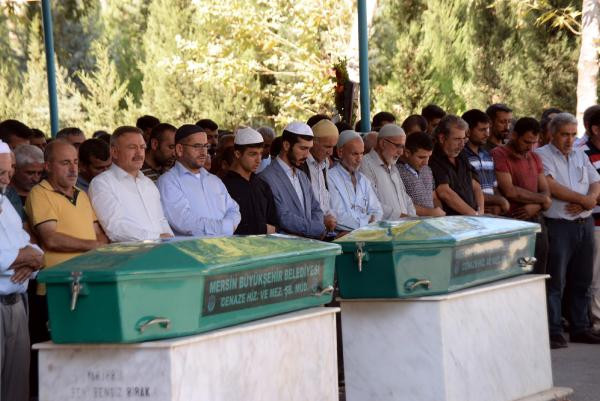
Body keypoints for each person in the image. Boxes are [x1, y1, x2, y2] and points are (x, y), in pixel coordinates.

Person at [535, 112, 600, 348]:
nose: (569, 139)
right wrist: (583, 200)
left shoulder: (580, 154)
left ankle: (580, 327)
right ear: (552, 134)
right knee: (556, 281)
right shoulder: (541, 155)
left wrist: (589, 200)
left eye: (573, 134)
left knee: (582, 280)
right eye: (564, 134)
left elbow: (595, 181)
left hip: (584, 224)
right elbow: (550, 185)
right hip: (559, 225)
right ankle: (553, 330)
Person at [0, 140, 43, 401]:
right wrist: (25, 257)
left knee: (17, 386)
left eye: (9, 172)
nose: (6, 179)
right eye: (0, 173)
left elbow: (31, 247)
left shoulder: (6, 203)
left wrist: (31, 260)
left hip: (16, 302)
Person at [89, 126, 173, 242]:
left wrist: (170, 241)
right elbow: (116, 228)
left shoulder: (148, 184)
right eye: (132, 147)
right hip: (132, 252)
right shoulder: (102, 183)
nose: (139, 153)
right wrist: (157, 238)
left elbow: (161, 220)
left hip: (162, 249)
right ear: (114, 152)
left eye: (142, 147)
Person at [492, 117, 552, 274]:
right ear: (514, 135)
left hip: (536, 221)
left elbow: (545, 189)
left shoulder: (535, 157)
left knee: (538, 272)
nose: (530, 147)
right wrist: (543, 200)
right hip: (514, 223)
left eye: (534, 143)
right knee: (517, 272)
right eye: (526, 142)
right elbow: (510, 191)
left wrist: (536, 205)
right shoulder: (499, 154)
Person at [157, 125, 240, 237]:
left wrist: (228, 226)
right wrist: (226, 227)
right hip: (191, 248)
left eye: (205, 146)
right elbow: (186, 222)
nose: (203, 152)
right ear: (180, 149)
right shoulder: (168, 182)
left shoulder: (214, 180)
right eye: (197, 146)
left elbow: (233, 209)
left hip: (223, 246)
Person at [259, 122, 326, 239]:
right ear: (286, 145)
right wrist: (316, 229)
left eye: (309, 149)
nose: (307, 155)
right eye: (303, 148)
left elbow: (316, 208)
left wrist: (316, 228)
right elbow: (283, 217)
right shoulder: (266, 177)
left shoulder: (302, 176)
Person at [222, 127, 278, 235]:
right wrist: (262, 228)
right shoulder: (223, 186)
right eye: (253, 154)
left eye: (260, 153)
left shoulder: (262, 185)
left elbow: (274, 224)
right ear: (238, 154)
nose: (259, 160)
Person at [328, 130, 383, 234]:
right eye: (355, 154)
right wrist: (367, 222)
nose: (359, 159)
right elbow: (337, 216)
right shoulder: (330, 177)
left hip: (368, 234)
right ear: (340, 152)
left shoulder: (363, 180)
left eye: (362, 153)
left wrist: (370, 222)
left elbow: (377, 211)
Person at [429, 115, 484, 216]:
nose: (462, 144)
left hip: (473, 217)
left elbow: (476, 185)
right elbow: (445, 193)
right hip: (452, 220)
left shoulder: (461, 153)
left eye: (464, 139)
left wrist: (480, 211)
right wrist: (474, 215)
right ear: (442, 138)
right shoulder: (432, 157)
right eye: (457, 139)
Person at [360, 124, 416, 219]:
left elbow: (405, 198)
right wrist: (402, 218)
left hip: (403, 225)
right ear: (383, 143)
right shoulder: (365, 164)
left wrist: (413, 218)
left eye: (402, 147)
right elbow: (370, 203)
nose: (401, 152)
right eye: (398, 146)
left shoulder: (392, 166)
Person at [461, 109, 509, 215]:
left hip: (490, 213)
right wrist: (501, 201)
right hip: (472, 212)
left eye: (488, 129)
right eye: (482, 130)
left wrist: (498, 205)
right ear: (468, 131)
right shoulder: (461, 156)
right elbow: (467, 191)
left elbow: (494, 187)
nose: (487, 134)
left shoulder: (487, 155)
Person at [579, 108, 600, 332]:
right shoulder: (582, 152)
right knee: (595, 275)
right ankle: (597, 320)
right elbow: (590, 189)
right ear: (595, 129)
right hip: (594, 223)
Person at [398, 132, 445, 217]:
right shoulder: (396, 172)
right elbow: (399, 203)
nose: (426, 162)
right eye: (421, 157)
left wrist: (439, 211)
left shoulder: (427, 170)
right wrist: (429, 212)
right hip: (411, 223)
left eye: (428, 157)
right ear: (407, 152)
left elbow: (434, 197)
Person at [305, 119, 338, 235]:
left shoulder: (325, 163)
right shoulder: (302, 165)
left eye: (333, 147)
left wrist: (331, 218)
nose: (331, 152)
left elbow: (325, 198)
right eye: (327, 146)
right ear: (313, 143)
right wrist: (321, 221)